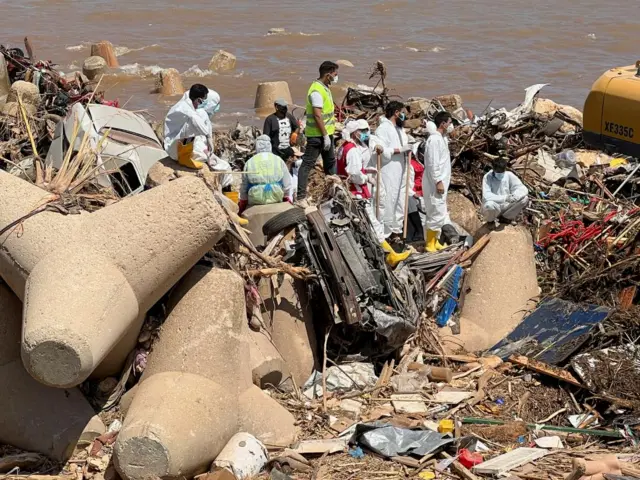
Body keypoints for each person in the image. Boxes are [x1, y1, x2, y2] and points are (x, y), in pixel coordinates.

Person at [337, 119, 410, 267]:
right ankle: (389, 256)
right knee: (374, 224)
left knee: (371, 223)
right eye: (362, 131)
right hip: (357, 192)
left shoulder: (344, 147)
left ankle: (386, 254)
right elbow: (354, 173)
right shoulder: (352, 150)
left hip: (353, 189)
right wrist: (366, 178)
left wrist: (367, 171)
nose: (365, 134)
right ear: (355, 133)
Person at [296, 61, 339, 203]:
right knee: (307, 164)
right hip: (317, 135)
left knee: (330, 162)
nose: (336, 77)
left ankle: (332, 194)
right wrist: (325, 135)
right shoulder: (316, 91)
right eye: (335, 74)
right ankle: (301, 197)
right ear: (328, 75)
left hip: (327, 134)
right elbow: (317, 115)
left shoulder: (325, 88)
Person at [375, 101, 413, 240]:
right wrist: (398, 150)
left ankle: (397, 230)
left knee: (400, 198)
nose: (404, 115)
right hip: (389, 168)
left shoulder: (399, 128)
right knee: (390, 198)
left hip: (401, 167)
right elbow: (381, 150)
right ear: (396, 113)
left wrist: (408, 147)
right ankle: (386, 232)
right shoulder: (383, 128)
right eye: (402, 112)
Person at [164, 84, 218, 170]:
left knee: (201, 115)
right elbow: (195, 120)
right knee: (192, 125)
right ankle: (184, 158)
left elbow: (204, 122)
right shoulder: (184, 108)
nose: (202, 104)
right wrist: (207, 136)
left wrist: (209, 138)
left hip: (180, 143)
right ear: (198, 99)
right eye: (202, 101)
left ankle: (190, 154)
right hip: (174, 149)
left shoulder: (190, 105)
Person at [423, 111, 454, 252]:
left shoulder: (441, 138)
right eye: (449, 122)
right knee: (436, 211)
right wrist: (438, 181)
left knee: (439, 212)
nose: (451, 125)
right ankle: (429, 244)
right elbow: (432, 163)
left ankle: (434, 241)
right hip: (435, 183)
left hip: (441, 182)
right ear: (443, 123)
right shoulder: (434, 140)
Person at [238, 135, 293, 213]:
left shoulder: (250, 162)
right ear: (269, 146)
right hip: (276, 195)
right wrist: (286, 197)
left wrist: (243, 202)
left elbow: (244, 185)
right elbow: (287, 183)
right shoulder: (278, 160)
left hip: (256, 197)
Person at [482, 157, 529, 226]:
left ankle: (505, 218)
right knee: (489, 205)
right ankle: (490, 221)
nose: (500, 173)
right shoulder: (487, 177)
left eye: (502, 171)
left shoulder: (509, 175)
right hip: (495, 206)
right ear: (493, 168)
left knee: (524, 199)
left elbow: (522, 188)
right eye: (498, 171)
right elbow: (487, 196)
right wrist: (505, 198)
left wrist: (515, 196)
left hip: (507, 205)